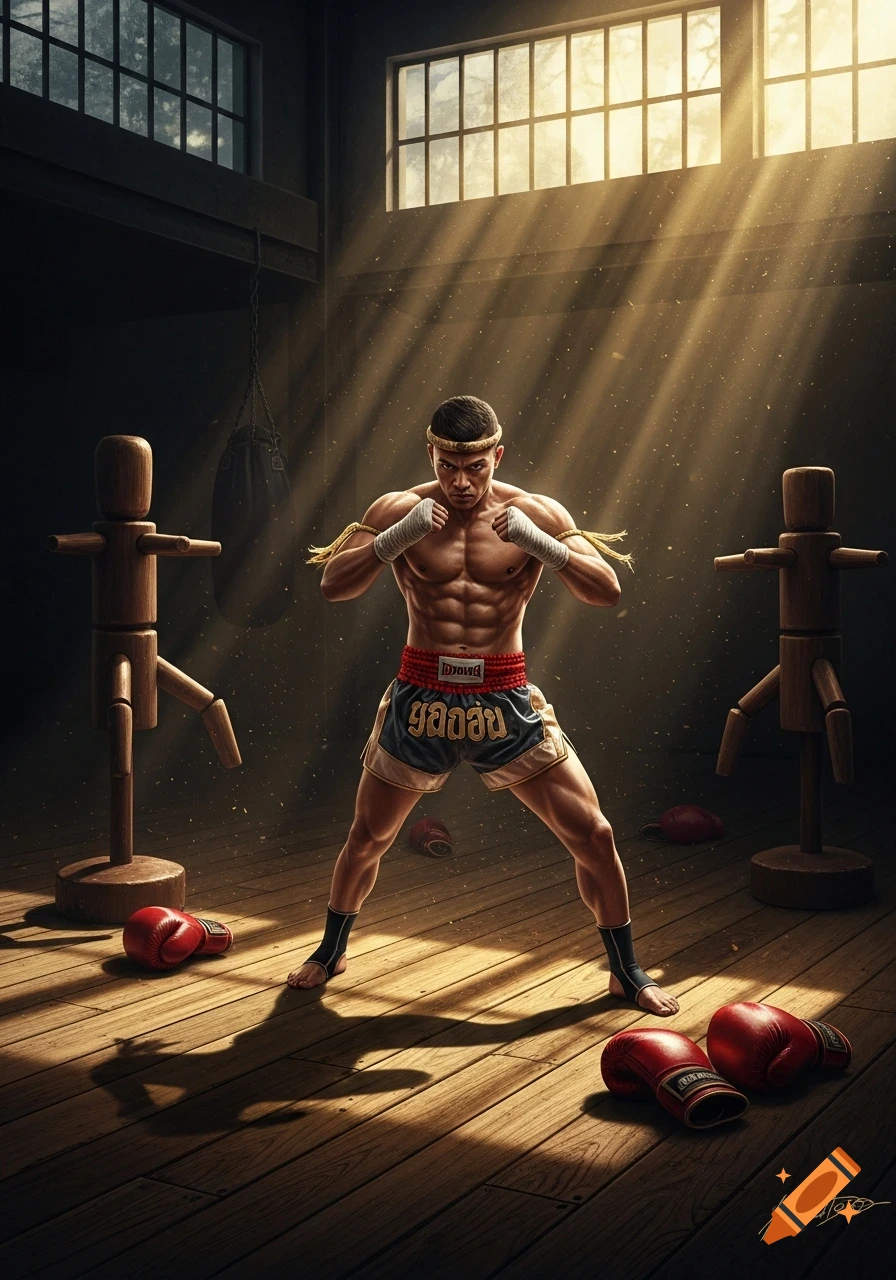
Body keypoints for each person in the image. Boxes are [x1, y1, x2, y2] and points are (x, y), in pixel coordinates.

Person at [287, 396, 679, 1017]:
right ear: (431, 455)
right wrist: (397, 537)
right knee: (369, 836)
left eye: (475, 467)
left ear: (498, 455)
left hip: (503, 697)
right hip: (421, 695)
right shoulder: (397, 509)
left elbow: (607, 590)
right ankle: (331, 950)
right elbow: (333, 584)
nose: (462, 483)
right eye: (448, 466)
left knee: (595, 834)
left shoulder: (536, 512)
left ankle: (626, 971)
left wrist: (540, 544)